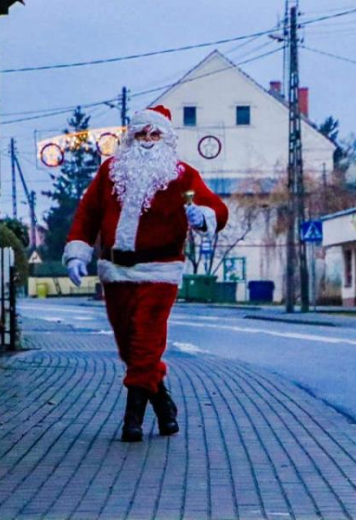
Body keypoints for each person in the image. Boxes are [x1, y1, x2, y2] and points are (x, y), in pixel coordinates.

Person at [63, 105, 228, 442]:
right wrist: (77, 251)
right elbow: (87, 214)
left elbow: (217, 209)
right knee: (129, 347)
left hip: (160, 272)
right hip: (116, 272)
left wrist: (203, 217)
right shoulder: (111, 171)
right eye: (142, 134)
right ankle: (164, 405)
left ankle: (132, 420)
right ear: (130, 138)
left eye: (155, 134)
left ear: (166, 139)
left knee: (146, 341)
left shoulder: (182, 175)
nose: (148, 141)